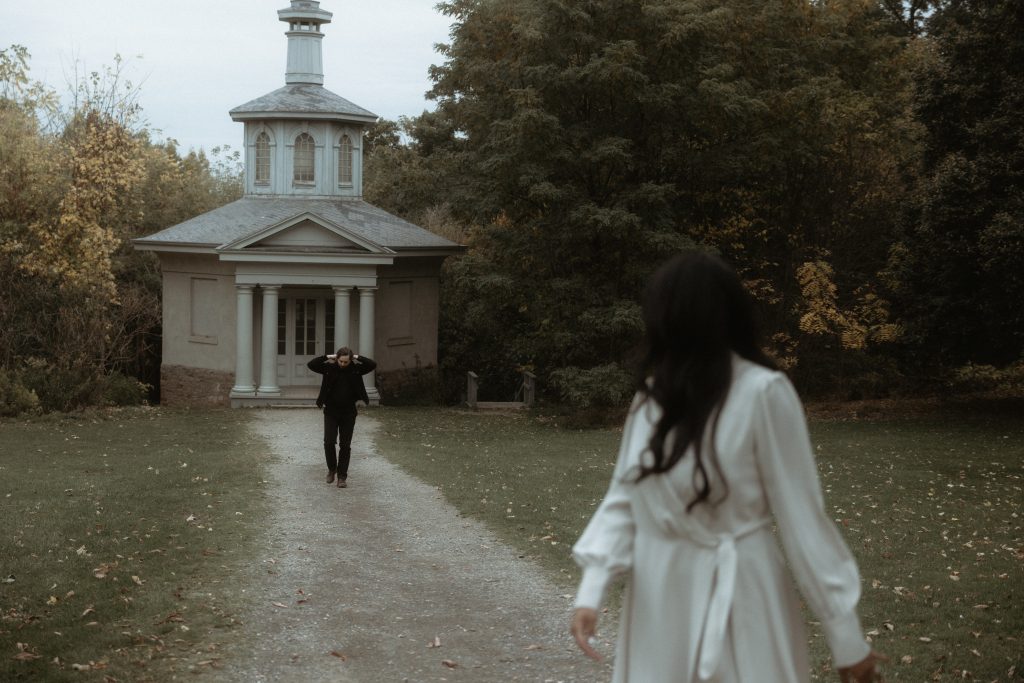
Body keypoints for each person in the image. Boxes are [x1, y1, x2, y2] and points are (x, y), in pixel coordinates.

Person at [569, 251, 885, 682]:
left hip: (742, 594)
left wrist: (846, 639)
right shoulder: (652, 398)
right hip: (659, 604)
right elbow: (624, 498)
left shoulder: (764, 393)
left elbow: (802, 518)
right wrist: (591, 591)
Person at [307, 347, 376, 488]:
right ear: (337, 359)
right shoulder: (329, 368)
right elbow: (312, 364)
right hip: (331, 412)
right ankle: (332, 469)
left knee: (345, 445)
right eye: (341, 361)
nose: (343, 364)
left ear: (350, 360)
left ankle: (342, 477)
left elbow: (372, 364)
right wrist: (327, 356)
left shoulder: (356, 369)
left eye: (346, 362)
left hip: (349, 413)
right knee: (329, 442)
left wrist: (357, 357)